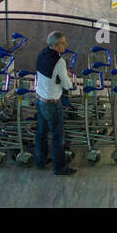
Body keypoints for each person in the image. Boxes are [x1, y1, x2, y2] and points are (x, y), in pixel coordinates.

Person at [34, 31, 77, 176]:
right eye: (62, 43)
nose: (66, 45)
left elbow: (47, 75)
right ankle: (59, 168)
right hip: (52, 103)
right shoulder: (60, 62)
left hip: (39, 99)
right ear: (54, 45)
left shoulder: (42, 54)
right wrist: (69, 78)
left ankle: (40, 161)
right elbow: (67, 85)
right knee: (58, 137)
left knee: (41, 132)